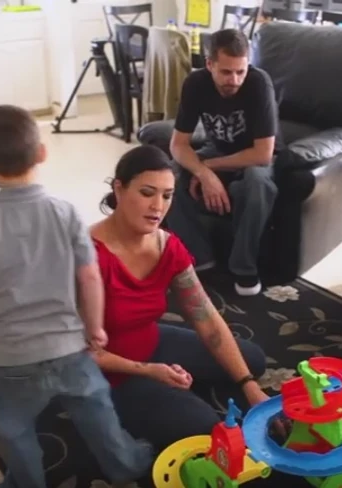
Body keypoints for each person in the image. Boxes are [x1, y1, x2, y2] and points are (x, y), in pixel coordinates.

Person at [0, 105, 152, 488]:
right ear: (42, 153)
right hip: (68, 347)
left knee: (15, 427)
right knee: (95, 405)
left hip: (11, 356)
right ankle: (124, 464)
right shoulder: (67, 214)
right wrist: (95, 327)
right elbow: (89, 276)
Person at [89, 144, 271, 451]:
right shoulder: (85, 256)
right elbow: (77, 352)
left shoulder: (167, 246)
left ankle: (174, 386)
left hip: (150, 342)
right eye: (147, 193)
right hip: (107, 372)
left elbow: (206, 316)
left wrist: (248, 385)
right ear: (119, 189)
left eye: (167, 195)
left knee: (252, 362)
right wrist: (148, 371)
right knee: (205, 431)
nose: (157, 207)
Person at [166, 28, 282, 296]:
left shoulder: (259, 83)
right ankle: (201, 260)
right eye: (227, 72)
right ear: (209, 64)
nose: (235, 80)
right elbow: (178, 144)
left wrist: (208, 168)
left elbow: (263, 154)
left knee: (255, 182)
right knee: (169, 175)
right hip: (217, 150)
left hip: (254, 157)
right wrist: (203, 173)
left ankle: (244, 269)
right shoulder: (195, 83)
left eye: (241, 71)